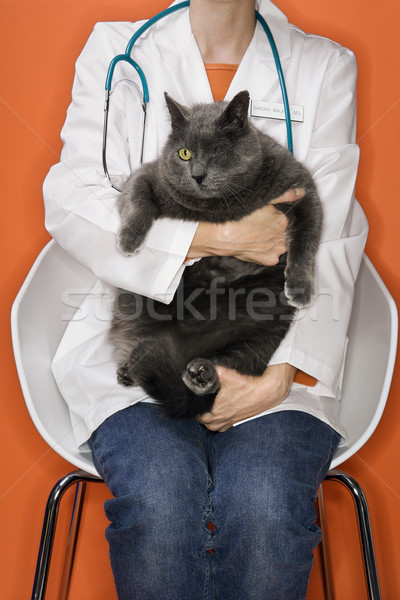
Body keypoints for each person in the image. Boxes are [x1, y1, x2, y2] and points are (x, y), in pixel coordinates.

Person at [43, 0, 368, 598]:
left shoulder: (324, 66)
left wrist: (281, 375)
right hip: (145, 343)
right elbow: (70, 198)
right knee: (162, 502)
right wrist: (208, 236)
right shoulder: (118, 52)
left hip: (270, 351)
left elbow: (333, 232)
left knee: (267, 507)